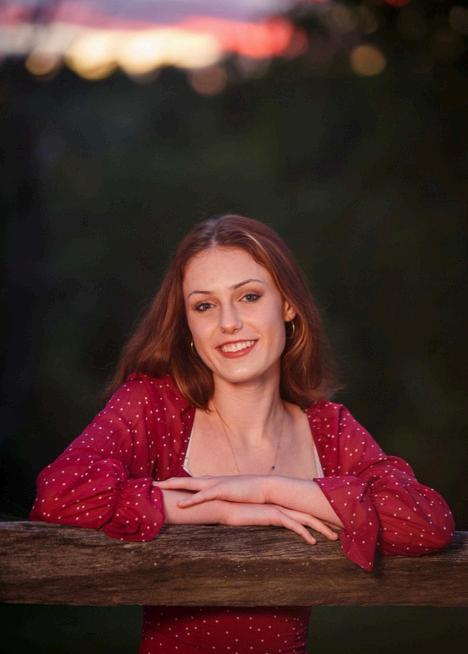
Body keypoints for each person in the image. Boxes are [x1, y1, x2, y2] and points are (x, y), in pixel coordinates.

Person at [30, 214, 455, 654]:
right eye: (204, 306)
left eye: (249, 296)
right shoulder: (152, 408)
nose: (228, 322)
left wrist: (267, 489)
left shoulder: (328, 428)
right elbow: (59, 494)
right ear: (188, 326)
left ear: (287, 305)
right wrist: (217, 508)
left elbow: (427, 524)